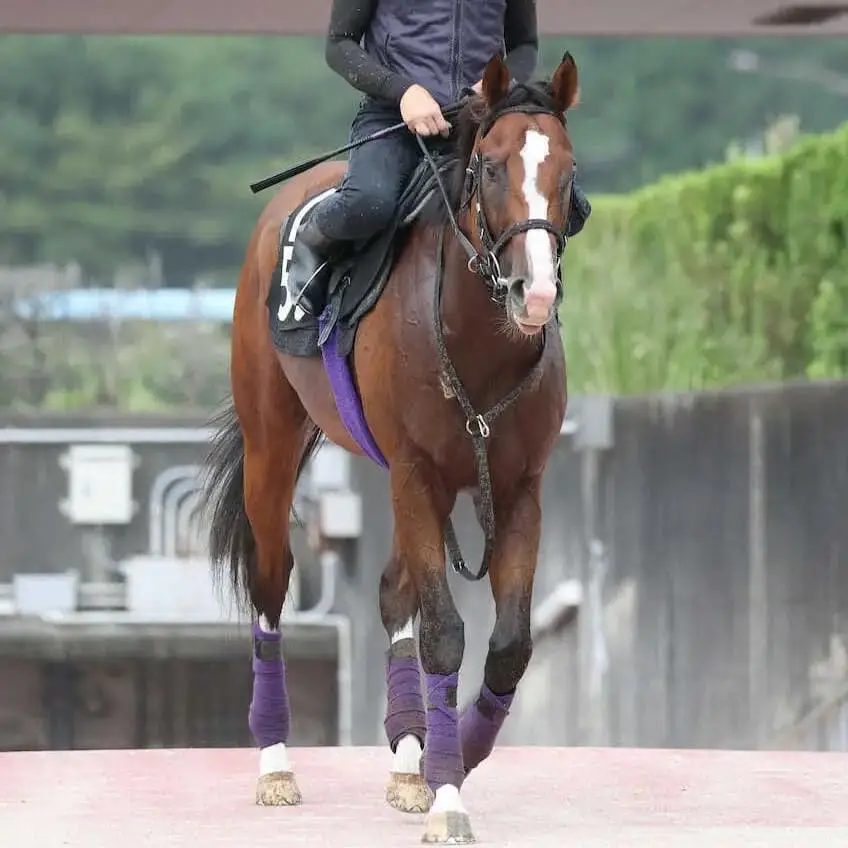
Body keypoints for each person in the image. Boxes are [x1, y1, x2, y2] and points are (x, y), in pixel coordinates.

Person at [287, 0, 592, 317]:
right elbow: (340, 45)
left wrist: (490, 89)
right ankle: (314, 235)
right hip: (394, 116)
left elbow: (524, 45)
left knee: (573, 209)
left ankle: (530, 286)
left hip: (477, 119)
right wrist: (403, 92)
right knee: (370, 202)